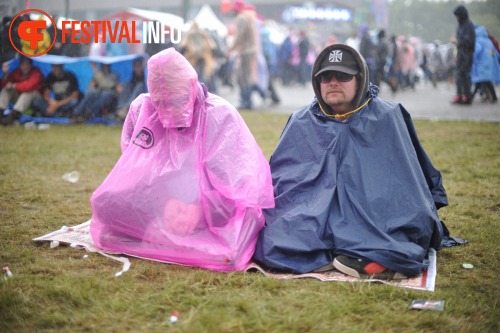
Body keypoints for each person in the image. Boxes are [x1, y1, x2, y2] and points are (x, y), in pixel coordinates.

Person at [253, 43, 461, 280]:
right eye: (325, 77)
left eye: (341, 75)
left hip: (375, 207)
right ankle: (325, 249)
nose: (332, 81)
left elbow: (405, 184)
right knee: (272, 239)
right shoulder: (301, 120)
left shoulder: (387, 116)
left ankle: (367, 256)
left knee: (396, 232)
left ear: (359, 79)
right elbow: (284, 180)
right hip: (311, 207)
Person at [89, 48, 274, 272]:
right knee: (104, 203)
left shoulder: (219, 114)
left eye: (176, 101)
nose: (168, 113)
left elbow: (239, 182)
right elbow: (132, 167)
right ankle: (176, 240)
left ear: (191, 86)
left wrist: (197, 209)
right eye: (161, 103)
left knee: (234, 236)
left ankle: (157, 237)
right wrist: (159, 205)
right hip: (159, 199)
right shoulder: (143, 108)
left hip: (205, 203)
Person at [0, 56, 43, 125]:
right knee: (6, 90)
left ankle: (12, 116)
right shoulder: (16, 73)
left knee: (29, 92)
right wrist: (5, 74)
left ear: (31, 65)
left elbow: (29, 86)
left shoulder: (36, 73)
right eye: (23, 65)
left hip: (36, 101)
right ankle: (1, 113)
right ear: (20, 66)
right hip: (21, 101)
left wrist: (14, 85)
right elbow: (5, 85)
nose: (25, 67)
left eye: (27, 64)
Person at [452, 5, 475, 105]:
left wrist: (458, 41)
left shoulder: (468, 25)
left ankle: (467, 96)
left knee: (464, 76)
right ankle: (459, 96)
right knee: (459, 76)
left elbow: (469, 42)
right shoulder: (460, 26)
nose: (456, 18)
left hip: (466, 56)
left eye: (457, 16)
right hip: (461, 55)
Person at [470, 25, 499, 104]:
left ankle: (471, 97)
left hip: (481, 64)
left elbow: (476, 51)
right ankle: (493, 97)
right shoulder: (488, 41)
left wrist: (472, 59)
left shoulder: (478, 41)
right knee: (485, 81)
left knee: (481, 81)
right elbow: (494, 53)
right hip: (489, 64)